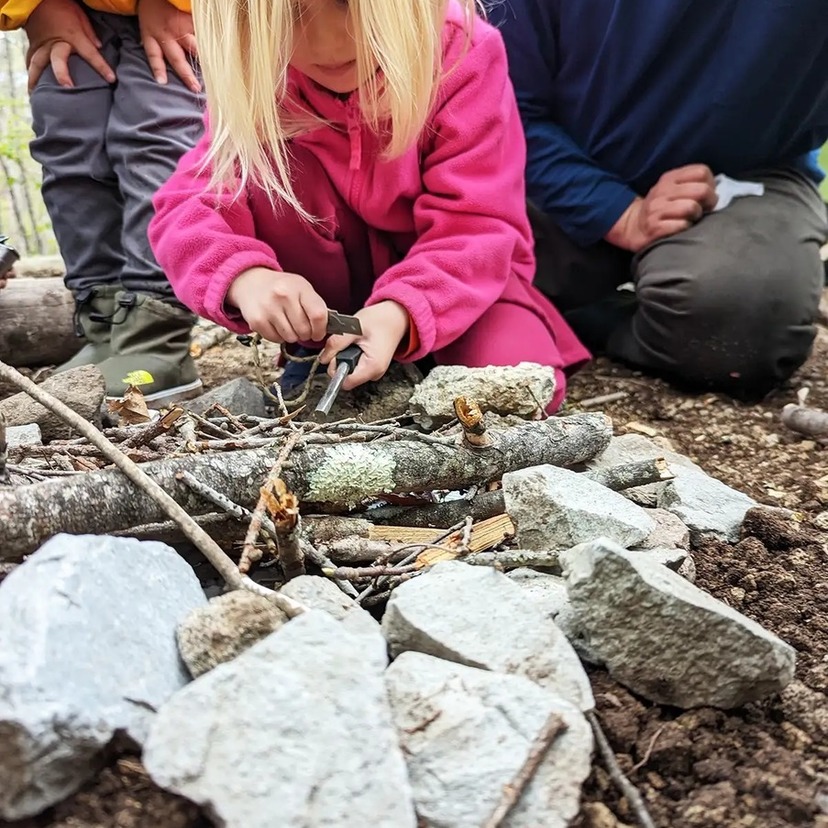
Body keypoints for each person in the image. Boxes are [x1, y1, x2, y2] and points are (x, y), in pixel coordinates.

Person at [148, 0, 588, 410]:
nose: (328, 41)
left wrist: (403, 310)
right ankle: (321, 354)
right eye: (293, 13)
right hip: (328, 316)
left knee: (519, 384)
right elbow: (188, 206)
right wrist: (244, 278)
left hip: (465, 291)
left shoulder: (462, 51)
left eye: (347, 2)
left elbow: (479, 225)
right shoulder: (258, 72)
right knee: (258, 170)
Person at [489, 0, 828, 400]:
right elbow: (497, 101)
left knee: (747, 319)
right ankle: (578, 308)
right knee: (457, 272)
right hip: (541, 162)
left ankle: (606, 320)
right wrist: (615, 210)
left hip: (745, 177)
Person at [0, 0, 205, 404]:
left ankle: (155, 337)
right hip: (60, 10)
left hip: (181, 11)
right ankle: (107, 329)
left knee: (158, 136)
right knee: (70, 143)